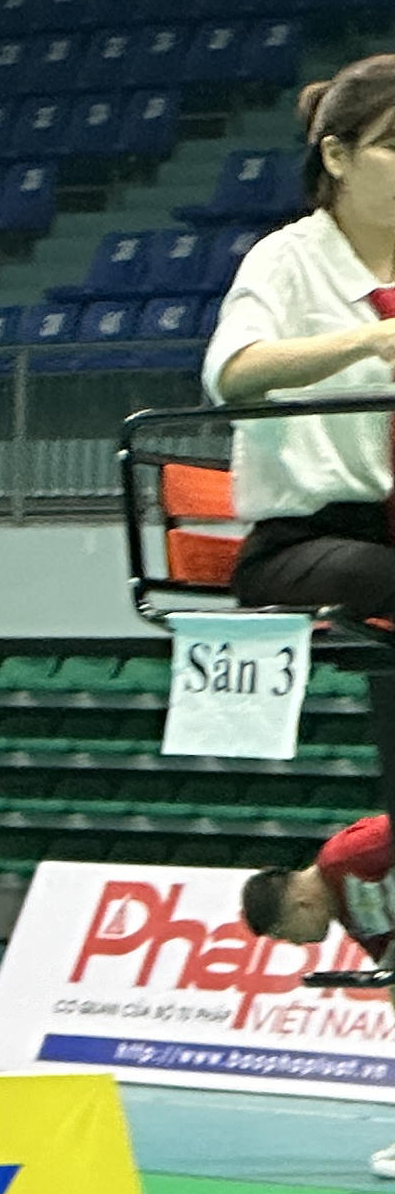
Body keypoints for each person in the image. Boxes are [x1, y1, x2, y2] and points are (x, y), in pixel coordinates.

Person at [211, 56, 395, 809]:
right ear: (337, 156)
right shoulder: (284, 261)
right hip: (303, 547)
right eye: (394, 145)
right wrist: (366, 341)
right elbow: (232, 371)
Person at [238, 818, 395, 1177]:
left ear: (301, 904)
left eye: (284, 933)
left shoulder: (351, 853)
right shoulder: (358, 920)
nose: (295, 943)